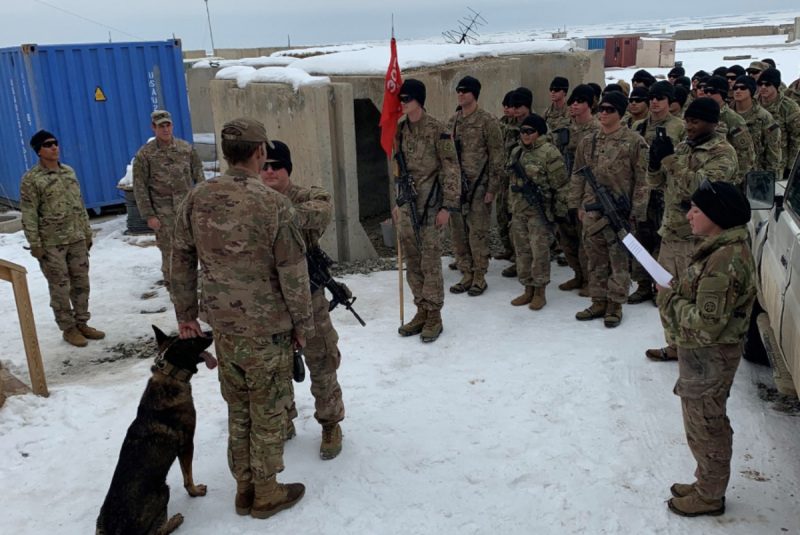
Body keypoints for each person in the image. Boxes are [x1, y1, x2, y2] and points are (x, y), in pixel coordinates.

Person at [171, 118, 312, 519]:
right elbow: (292, 270)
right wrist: (303, 324)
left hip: (226, 329)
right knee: (267, 408)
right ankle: (265, 492)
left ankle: (244, 487)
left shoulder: (197, 197)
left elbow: (180, 258)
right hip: (267, 329)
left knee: (239, 407)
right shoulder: (274, 203)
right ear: (259, 153)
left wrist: (186, 316)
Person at [657, 180, 755, 517]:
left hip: (710, 353)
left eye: (696, 210)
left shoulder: (725, 259)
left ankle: (710, 495)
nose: (688, 216)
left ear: (716, 215)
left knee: (707, 423)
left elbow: (705, 322)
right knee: (701, 420)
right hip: (703, 353)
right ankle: (705, 482)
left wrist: (669, 296)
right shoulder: (718, 247)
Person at [258, 140, 345, 460]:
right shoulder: (254, 200)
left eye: (276, 166)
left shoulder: (308, 196)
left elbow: (320, 211)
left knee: (321, 360)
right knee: (276, 366)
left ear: (288, 170)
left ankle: (330, 422)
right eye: (264, 166)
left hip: (308, 298)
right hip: (270, 301)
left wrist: (276, 211)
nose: (269, 172)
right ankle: (284, 419)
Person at [645, 98, 738, 361]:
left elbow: (700, 189)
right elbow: (657, 183)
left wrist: (670, 160)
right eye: (687, 120)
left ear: (713, 123)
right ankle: (675, 344)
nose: (689, 126)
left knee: (693, 298)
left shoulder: (723, 153)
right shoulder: (684, 148)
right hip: (672, 232)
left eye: (695, 122)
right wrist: (655, 163)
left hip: (698, 239)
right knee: (665, 291)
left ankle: (696, 353)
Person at [569, 91, 647, 327]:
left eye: (609, 109)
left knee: (618, 260)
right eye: (601, 109)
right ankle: (598, 300)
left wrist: (636, 212)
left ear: (620, 113)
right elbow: (577, 175)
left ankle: (615, 304)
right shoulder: (588, 141)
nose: (603, 113)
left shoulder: (634, 142)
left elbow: (643, 180)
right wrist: (577, 205)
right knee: (595, 258)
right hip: (592, 212)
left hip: (619, 213)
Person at [20, 130, 105, 347]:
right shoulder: (32, 179)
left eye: (56, 143)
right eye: (48, 145)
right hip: (52, 243)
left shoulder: (68, 172)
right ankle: (68, 328)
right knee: (60, 286)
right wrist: (35, 244)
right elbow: (29, 213)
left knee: (81, 283)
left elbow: (79, 204)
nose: (54, 147)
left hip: (76, 238)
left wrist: (87, 233)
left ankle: (82, 322)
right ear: (39, 150)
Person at [394, 79, 460, 343]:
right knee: (412, 260)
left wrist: (448, 206)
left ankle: (434, 315)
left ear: (419, 100)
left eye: (407, 98)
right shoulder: (400, 131)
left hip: (431, 204)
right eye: (401, 98)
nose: (402, 102)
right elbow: (397, 171)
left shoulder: (437, 130)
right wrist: (396, 202)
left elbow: (451, 168)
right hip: (408, 204)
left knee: (430, 261)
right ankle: (421, 309)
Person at [133, 110, 204, 292]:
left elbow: (199, 178)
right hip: (163, 214)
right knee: (170, 253)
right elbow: (140, 187)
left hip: (187, 211)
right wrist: (149, 215)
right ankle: (174, 289)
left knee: (193, 249)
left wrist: (202, 206)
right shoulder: (145, 155)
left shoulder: (186, 149)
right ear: (153, 128)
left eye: (168, 125)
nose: (165, 129)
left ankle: (194, 286)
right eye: (160, 126)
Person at [628, 81, 686, 304]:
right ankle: (642, 285)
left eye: (660, 98)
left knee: (663, 243)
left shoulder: (678, 127)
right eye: (652, 97)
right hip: (642, 192)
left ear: (670, 102)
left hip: (665, 192)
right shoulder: (638, 126)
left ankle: (659, 286)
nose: (654, 102)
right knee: (640, 241)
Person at [446, 76, 504, 296]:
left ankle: (479, 276)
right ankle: (466, 273)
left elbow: (497, 156)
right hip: (456, 189)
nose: (460, 94)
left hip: (479, 188)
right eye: (458, 91)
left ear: (474, 94)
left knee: (477, 233)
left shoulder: (487, 121)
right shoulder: (453, 121)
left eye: (465, 91)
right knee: (458, 233)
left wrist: (492, 188)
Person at [507, 114, 567, 310]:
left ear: (539, 132)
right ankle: (528, 289)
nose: (525, 135)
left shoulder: (550, 153)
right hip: (519, 211)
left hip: (539, 213)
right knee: (522, 251)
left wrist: (559, 214)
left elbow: (560, 186)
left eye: (529, 131)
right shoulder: (517, 152)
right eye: (522, 131)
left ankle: (540, 291)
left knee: (539, 252)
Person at [559, 84, 600, 296]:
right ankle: (578, 274)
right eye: (572, 102)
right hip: (565, 190)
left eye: (579, 102)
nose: (574, 105)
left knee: (586, 240)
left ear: (589, 105)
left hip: (586, 191)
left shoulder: (596, 130)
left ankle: (590, 280)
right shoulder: (567, 128)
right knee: (567, 238)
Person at [703, 76, 755, 183]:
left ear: (722, 93)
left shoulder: (733, 119)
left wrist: (736, 180)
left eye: (712, 92)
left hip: (726, 177)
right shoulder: (702, 114)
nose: (708, 94)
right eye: (706, 91)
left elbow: (745, 154)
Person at [730, 75, 782, 178]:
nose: (738, 91)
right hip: (731, 174)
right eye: (735, 88)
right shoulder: (727, 115)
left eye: (743, 88)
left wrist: (771, 178)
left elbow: (773, 151)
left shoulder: (763, 117)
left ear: (751, 91)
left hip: (755, 175)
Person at [757, 68, 800, 179]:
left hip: (780, 165)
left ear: (776, 86)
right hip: (756, 164)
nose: (763, 87)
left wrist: (792, 168)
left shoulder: (789, 107)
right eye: (760, 84)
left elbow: (796, 139)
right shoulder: (753, 104)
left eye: (767, 84)